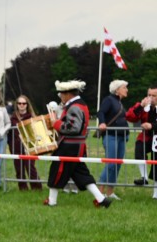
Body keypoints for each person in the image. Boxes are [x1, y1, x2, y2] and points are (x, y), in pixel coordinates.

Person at [44, 80, 112, 208]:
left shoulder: (74, 106)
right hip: (77, 146)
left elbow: (73, 128)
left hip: (69, 146)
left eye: (61, 94)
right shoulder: (80, 104)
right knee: (81, 174)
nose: (60, 96)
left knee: (57, 170)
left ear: (68, 94)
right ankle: (102, 199)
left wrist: (55, 123)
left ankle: (52, 202)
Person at [97, 79, 129, 200]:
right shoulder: (109, 100)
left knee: (117, 165)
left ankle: (110, 192)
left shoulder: (119, 102)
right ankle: (99, 192)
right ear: (117, 90)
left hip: (122, 137)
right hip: (111, 136)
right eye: (124, 87)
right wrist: (102, 123)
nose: (127, 90)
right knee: (110, 164)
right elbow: (101, 112)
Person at [7, 95, 42, 191]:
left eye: (24, 103)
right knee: (19, 169)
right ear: (16, 105)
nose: (21, 105)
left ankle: (36, 188)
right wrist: (10, 144)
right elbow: (9, 133)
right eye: (19, 103)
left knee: (30, 167)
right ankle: (22, 188)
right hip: (16, 146)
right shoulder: (13, 118)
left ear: (27, 105)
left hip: (30, 146)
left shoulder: (32, 117)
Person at [125, 86, 157, 187]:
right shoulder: (143, 105)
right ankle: (144, 178)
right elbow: (130, 117)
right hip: (147, 137)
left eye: (154, 95)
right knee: (139, 149)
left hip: (156, 138)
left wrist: (152, 125)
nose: (151, 97)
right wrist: (140, 106)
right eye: (149, 95)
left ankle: (156, 193)